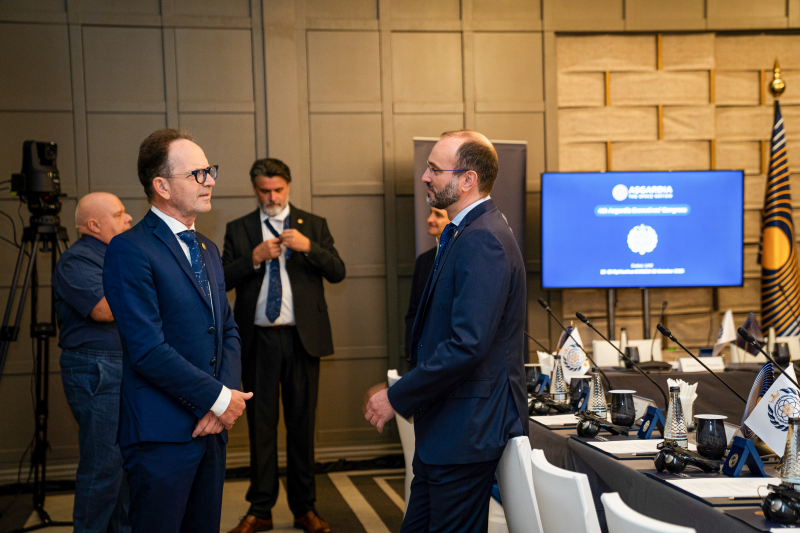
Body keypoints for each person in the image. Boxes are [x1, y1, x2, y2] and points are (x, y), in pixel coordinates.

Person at [364, 130, 528, 533]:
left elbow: (466, 345)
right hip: (448, 430)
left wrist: (396, 396)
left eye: (435, 170)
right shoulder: (466, 232)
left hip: (466, 432)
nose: (425, 177)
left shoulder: (483, 239)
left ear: (468, 179)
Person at [103, 129, 251, 533]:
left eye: (210, 170)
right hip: (162, 435)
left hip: (211, 430)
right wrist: (218, 399)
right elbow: (147, 350)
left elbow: (227, 329)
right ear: (162, 186)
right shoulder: (129, 249)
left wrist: (222, 401)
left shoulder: (208, 248)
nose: (210, 181)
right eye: (197, 174)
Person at [222, 158, 345, 533]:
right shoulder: (239, 228)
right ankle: (260, 509)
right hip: (258, 341)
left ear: (288, 187)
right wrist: (254, 258)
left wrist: (309, 248)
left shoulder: (313, 225)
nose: (271, 197)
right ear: (255, 189)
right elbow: (221, 278)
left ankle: (304, 508)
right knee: (260, 428)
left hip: (301, 340)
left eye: (277, 190)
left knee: (301, 427)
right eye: (264, 191)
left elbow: (337, 271)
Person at [54, 192, 133, 533]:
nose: (128, 218)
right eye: (118, 214)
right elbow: (104, 310)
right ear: (94, 225)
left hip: (122, 366)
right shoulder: (76, 260)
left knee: (125, 463)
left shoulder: (118, 255)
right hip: (96, 368)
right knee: (103, 465)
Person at [404, 207, 450, 362]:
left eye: (438, 215)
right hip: (423, 357)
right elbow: (414, 312)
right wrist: (411, 349)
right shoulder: (423, 261)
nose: (430, 219)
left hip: (452, 356)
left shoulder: (463, 257)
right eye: (430, 213)